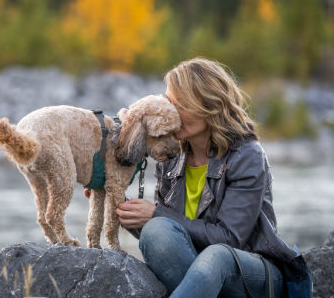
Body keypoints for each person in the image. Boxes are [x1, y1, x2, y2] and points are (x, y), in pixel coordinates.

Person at [88, 57, 304, 297]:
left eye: (179, 104)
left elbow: (230, 239)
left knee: (217, 255)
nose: (171, 112)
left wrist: (156, 213)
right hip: (196, 267)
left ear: (210, 105)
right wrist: (117, 200)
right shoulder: (171, 156)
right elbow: (167, 230)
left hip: (252, 272)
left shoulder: (246, 155)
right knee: (155, 231)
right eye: (168, 102)